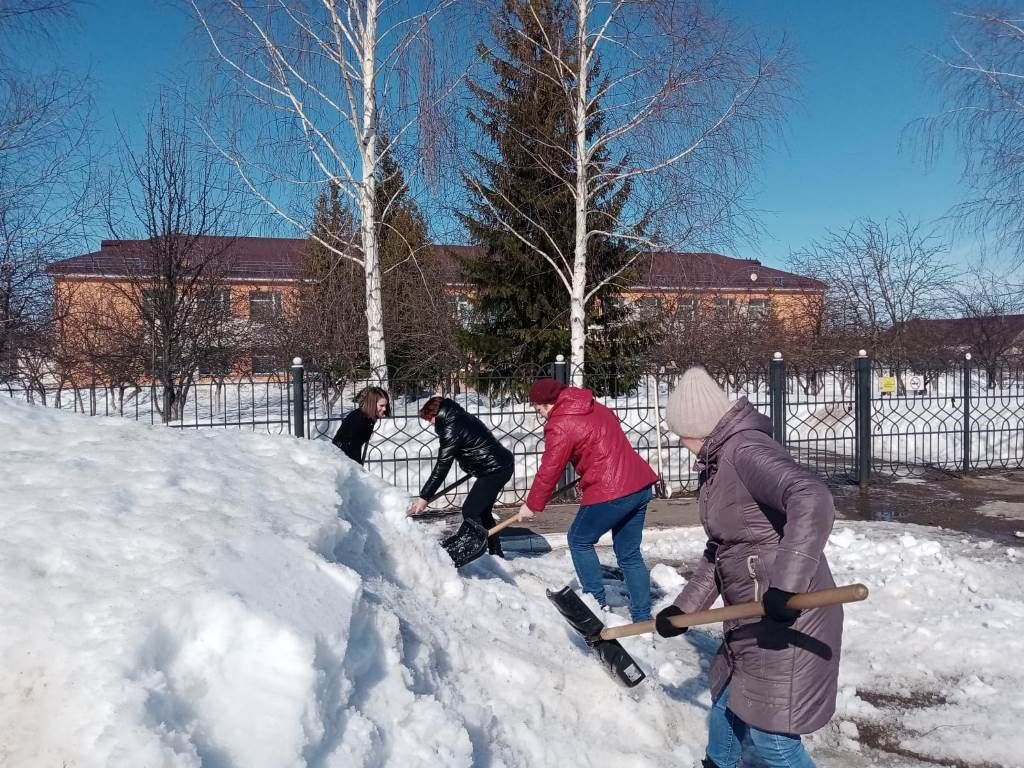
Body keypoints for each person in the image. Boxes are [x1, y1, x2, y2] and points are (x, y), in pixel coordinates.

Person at [656, 366, 842, 768]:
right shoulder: (719, 461)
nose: (680, 443)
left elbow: (811, 497)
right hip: (752, 614)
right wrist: (683, 611)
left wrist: (786, 586)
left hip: (789, 614)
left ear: (693, 428)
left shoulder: (745, 451)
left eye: (679, 433)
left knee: (773, 740)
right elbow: (722, 550)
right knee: (729, 698)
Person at [516, 378, 657, 622]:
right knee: (629, 552)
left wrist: (532, 504)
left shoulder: (560, 423)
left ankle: (595, 604)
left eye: (538, 407)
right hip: (639, 484)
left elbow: (550, 469)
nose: (538, 413)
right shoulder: (593, 406)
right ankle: (642, 617)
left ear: (548, 404)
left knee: (579, 539)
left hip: (611, 490)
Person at [408, 396, 514, 558]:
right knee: (482, 512)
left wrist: (424, 497)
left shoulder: (450, 428)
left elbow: (442, 465)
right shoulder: (460, 417)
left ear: (439, 414)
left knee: (470, 511)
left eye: (431, 418)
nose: (430, 423)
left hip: (494, 470)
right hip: (499, 466)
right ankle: (495, 553)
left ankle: (471, 550)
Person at [332, 386, 390, 465]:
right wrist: (358, 469)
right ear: (372, 404)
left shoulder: (367, 417)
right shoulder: (360, 420)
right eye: (381, 405)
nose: (384, 409)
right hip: (341, 460)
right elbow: (351, 448)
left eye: (385, 405)